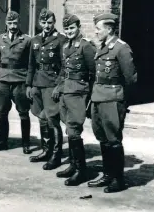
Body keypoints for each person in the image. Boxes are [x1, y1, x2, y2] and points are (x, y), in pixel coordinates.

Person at [87, 13, 137, 193]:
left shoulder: (121, 48)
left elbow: (130, 79)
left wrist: (123, 101)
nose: (95, 31)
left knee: (114, 140)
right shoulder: (102, 47)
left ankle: (118, 179)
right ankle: (108, 175)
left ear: (109, 29)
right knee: (103, 139)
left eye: (98, 28)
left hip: (113, 99)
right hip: (98, 97)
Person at [55, 14, 96, 186]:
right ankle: (73, 165)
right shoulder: (65, 46)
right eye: (66, 29)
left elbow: (94, 74)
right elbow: (63, 70)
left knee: (73, 130)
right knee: (69, 127)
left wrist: (91, 99)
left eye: (72, 28)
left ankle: (81, 170)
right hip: (66, 91)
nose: (69, 31)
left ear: (78, 27)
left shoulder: (86, 46)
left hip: (79, 92)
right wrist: (58, 87)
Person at [26, 8, 66, 170]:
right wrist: (29, 85)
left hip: (51, 83)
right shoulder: (35, 40)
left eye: (49, 23)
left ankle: (56, 155)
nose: (47, 26)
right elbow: (31, 65)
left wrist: (59, 85)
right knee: (41, 117)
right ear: (39, 23)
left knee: (52, 118)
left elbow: (64, 66)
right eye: (43, 23)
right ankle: (45, 150)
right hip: (37, 83)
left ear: (54, 23)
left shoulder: (60, 40)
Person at [0, 11, 33, 154]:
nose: (13, 26)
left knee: (23, 112)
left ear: (18, 23)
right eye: (10, 23)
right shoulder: (0, 39)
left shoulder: (26, 40)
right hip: (3, 79)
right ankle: (2, 142)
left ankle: (25, 143)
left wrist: (27, 82)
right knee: (2, 112)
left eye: (15, 23)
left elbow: (30, 61)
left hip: (20, 79)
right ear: (6, 24)